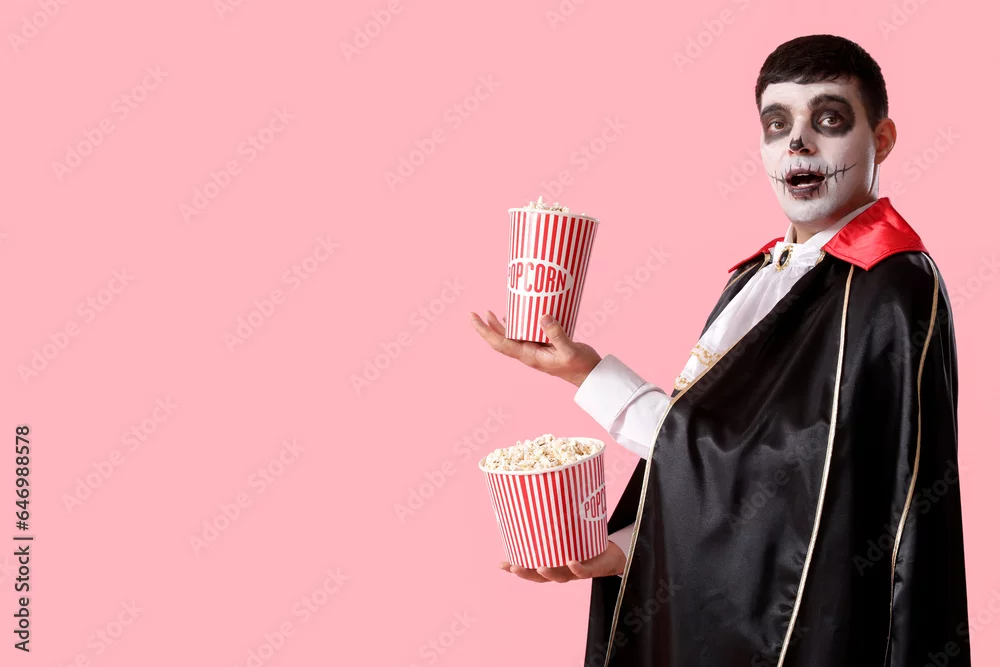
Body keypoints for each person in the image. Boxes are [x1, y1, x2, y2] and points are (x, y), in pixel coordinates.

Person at [469, 34, 970, 667]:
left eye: (828, 119)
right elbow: (740, 483)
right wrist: (629, 548)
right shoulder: (754, 277)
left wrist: (592, 377)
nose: (798, 142)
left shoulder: (892, 286)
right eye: (777, 123)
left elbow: (812, 490)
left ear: (883, 140)